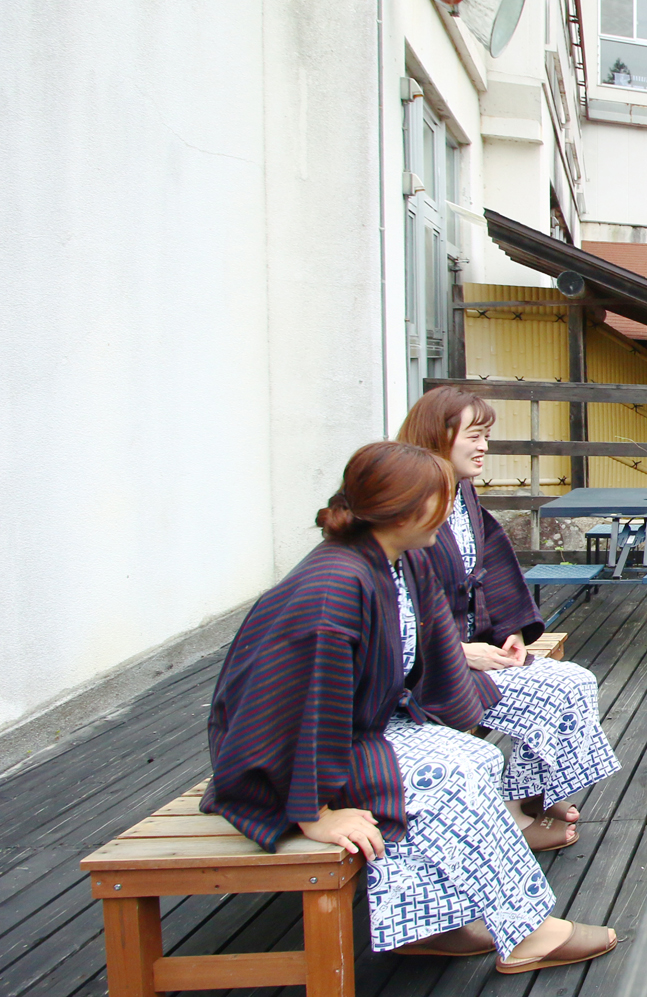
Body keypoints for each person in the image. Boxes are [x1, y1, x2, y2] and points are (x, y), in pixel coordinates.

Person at [201, 441, 617, 972]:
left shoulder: (400, 560)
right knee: (451, 772)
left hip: (359, 728)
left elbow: (437, 652)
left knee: (479, 759)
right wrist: (313, 814)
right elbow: (304, 710)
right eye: (440, 503)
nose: (449, 515)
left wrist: (485, 685)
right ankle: (529, 932)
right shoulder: (332, 589)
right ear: (401, 509)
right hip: (278, 759)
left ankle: (429, 927)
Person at [398, 387, 619, 853]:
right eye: (474, 435)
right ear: (439, 435)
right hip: (424, 674)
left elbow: (491, 564)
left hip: (468, 650)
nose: (484, 446)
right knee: (551, 690)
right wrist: (458, 652)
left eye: (487, 436)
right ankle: (517, 816)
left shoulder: (460, 494)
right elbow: (395, 615)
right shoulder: (407, 506)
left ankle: (533, 796)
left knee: (572, 681)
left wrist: (510, 631)